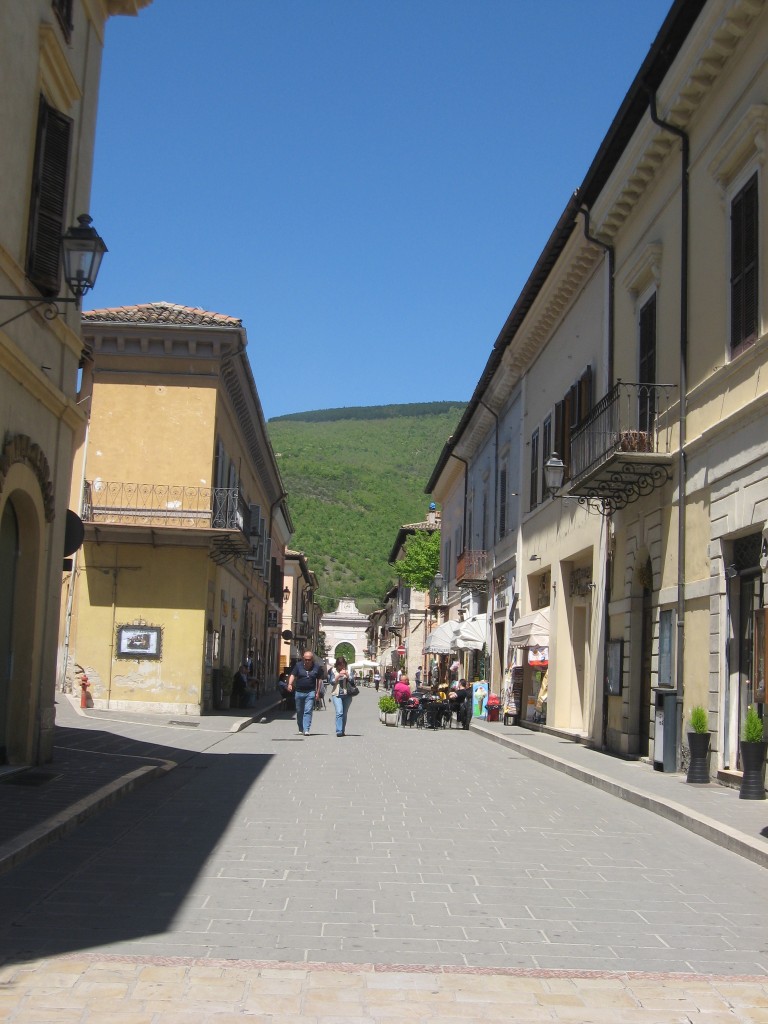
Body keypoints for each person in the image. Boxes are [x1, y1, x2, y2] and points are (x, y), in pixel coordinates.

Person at [288, 650, 324, 736]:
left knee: (308, 711)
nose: (307, 661)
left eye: (309, 659)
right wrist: (290, 684)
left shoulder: (316, 667)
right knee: (299, 711)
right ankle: (301, 728)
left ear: (312, 659)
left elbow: (319, 680)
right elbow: (293, 675)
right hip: (299, 692)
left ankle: (306, 728)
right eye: (306, 659)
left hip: (310, 692)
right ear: (303, 659)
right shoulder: (298, 666)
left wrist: (317, 692)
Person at [331, 656, 355, 737]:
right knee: (339, 712)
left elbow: (352, 681)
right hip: (336, 694)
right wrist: (337, 676)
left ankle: (342, 730)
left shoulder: (348, 670)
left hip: (347, 695)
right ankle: (339, 731)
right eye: (340, 665)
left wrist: (347, 675)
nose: (341, 666)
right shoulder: (333, 671)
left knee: (344, 714)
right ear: (337, 665)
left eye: (343, 664)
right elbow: (331, 682)